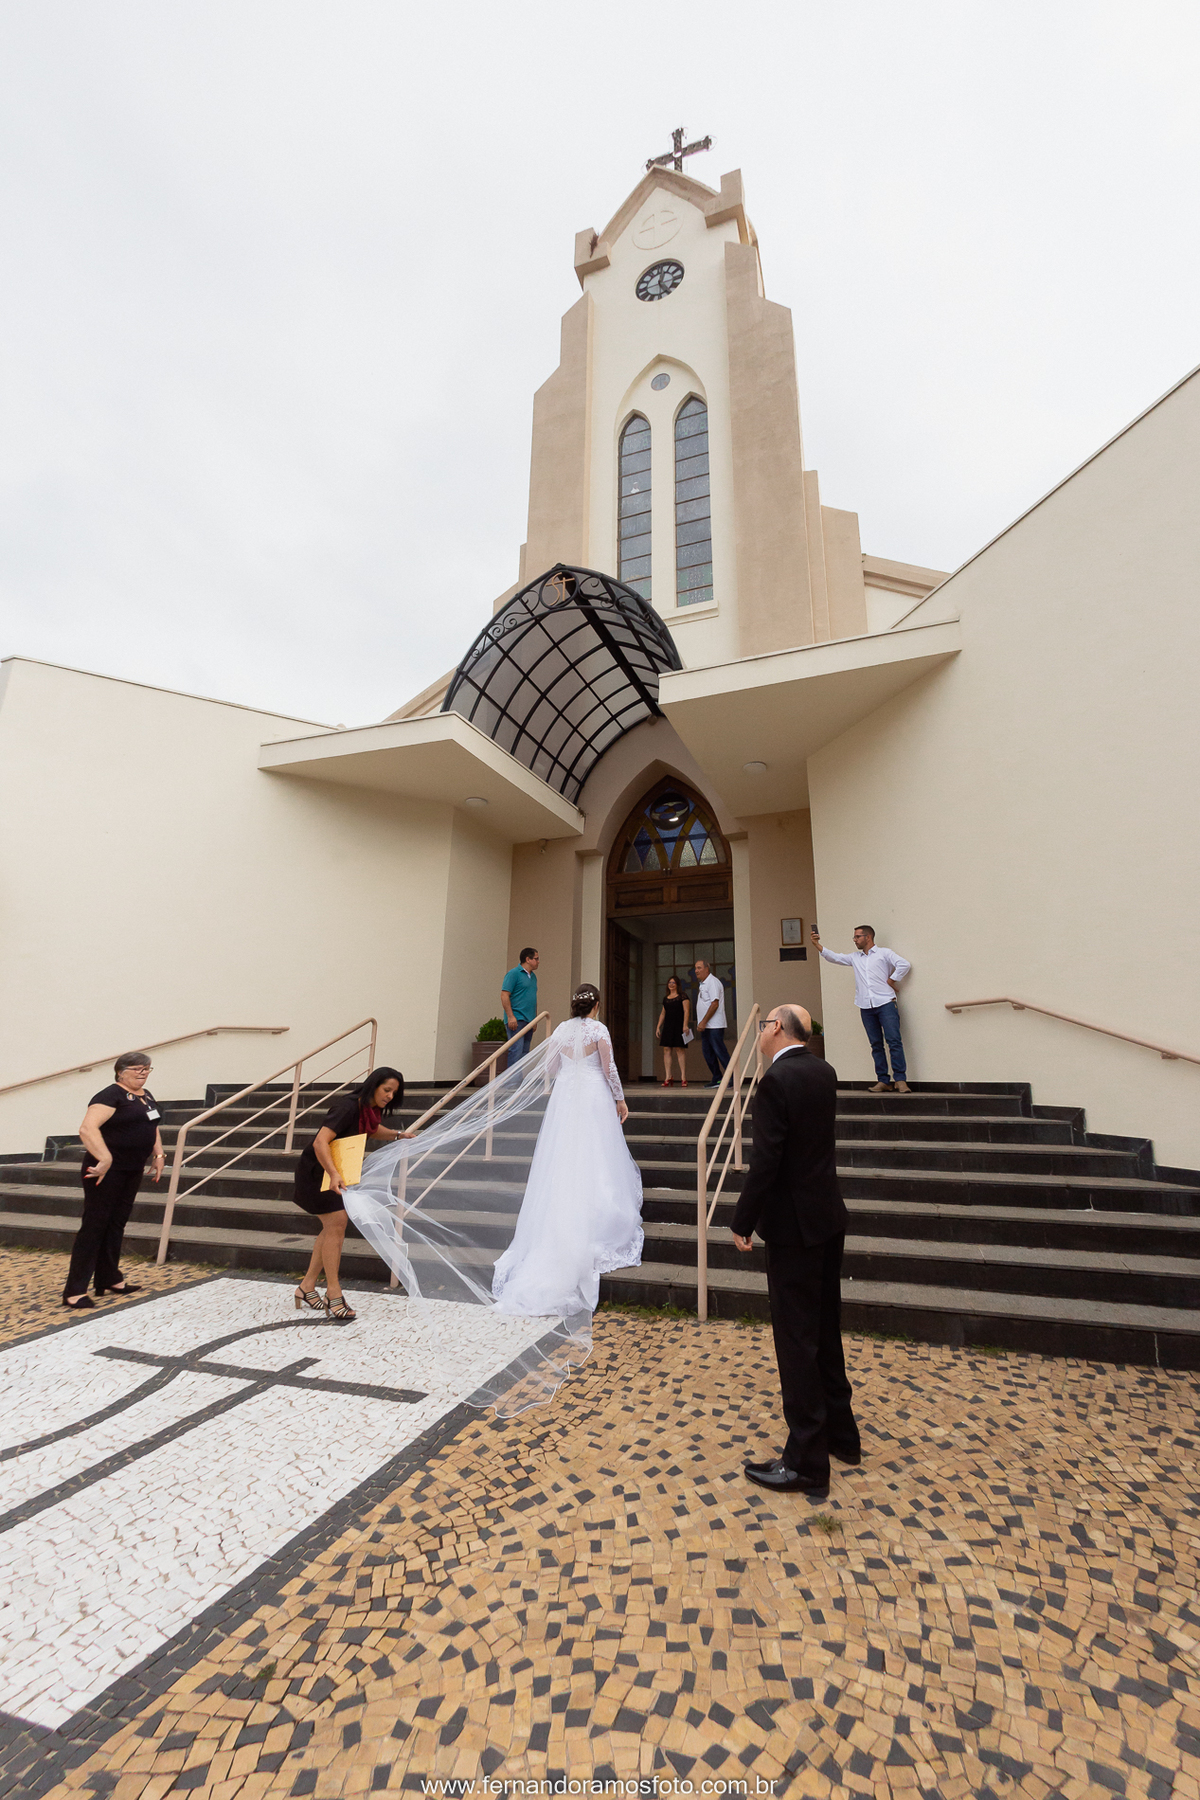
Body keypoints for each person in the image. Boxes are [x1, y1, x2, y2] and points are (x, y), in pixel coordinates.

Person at [730, 1003, 860, 1498]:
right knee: (825, 1329)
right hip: (827, 1217)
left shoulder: (776, 1082)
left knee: (796, 1341)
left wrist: (743, 1220)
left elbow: (767, 1159)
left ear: (779, 1030)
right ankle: (843, 1436)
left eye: (765, 1024)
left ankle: (806, 1462)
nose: (762, 1031)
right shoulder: (823, 1072)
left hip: (793, 1228)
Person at [490, 983, 643, 1318]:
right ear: (596, 1005)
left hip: (566, 1097)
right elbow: (609, 1068)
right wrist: (619, 1099)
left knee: (564, 1156)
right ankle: (599, 1214)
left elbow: (549, 1068)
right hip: (593, 1095)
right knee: (597, 1154)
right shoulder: (598, 1030)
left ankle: (562, 1213)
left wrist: (569, 1072)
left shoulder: (560, 1030)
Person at [291, 1066, 407, 1320]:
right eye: (386, 1090)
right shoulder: (347, 1107)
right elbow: (320, 1142)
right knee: (337, 1223)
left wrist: (398, 1135)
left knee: (332, 1227)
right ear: (373, 1086)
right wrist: (333, 1173)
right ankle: (333, 1293)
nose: (389, 1096)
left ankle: (307, 1287)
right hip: (317, 1172)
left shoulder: (368, 1109)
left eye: (393, 1093)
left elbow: (371, 1130)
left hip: (334, 1172)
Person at [63, 1050, 164, 1309]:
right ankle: (74, 1291)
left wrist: (159, 1154)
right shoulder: (110, 1095)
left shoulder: (146, 1096)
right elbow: (87, 1129)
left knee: (116, 1223)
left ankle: (109, 1278)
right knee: (95, 1226)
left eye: (147, 1069)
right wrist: (105, 1157)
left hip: (132, 1168)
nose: (143, 1073)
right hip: (105, 1170)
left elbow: (151, 1126)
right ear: (120, 1072)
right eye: (137, 1069)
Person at [811, 924, 912, 1093]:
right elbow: (835, 957)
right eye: (854, 937)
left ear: (868, 937)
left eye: (857, 937)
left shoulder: (884, 953)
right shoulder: (855, 957)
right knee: (876, 1044)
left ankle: (900, 1080)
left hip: (885, 1002)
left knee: (894, 1041)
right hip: (865, 1005)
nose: (855, 940)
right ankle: (883, 1080)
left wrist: (892, 980)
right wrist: (817, 945)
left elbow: (904, 964)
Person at [694, 958, 729, 1087]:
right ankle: (717, 1078)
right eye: (695, 968)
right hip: (706, 1027)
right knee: (708, 1053)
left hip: (714, 1025)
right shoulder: (703, 984)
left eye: (699, 968)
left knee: (720, 1051)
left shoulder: (712, 982)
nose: (696, 971)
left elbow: (714, 1004)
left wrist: (703, 1022)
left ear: (707, 969)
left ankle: (732, 1077)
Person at [501, 947, 540, 1066]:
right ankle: (513, 1078)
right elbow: (504, 995)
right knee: (516, 1051)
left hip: (529, 1019)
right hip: (517, 1019)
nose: (538, 961)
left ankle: (520, 1077)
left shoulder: (533, 977)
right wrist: (510, 1016)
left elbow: (533, 998)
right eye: (536, 959)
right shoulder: (513, 974)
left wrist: (534, 1019)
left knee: (524, 1053)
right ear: (528, 959)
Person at [655, 975, 691, 1086]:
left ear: (677, 984)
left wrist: (685, 1025)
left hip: (679, 1025)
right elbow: (663, 1013)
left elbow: (686, 1011)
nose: (671, 984)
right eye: (669, 982)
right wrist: (658, 1026)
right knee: (666, 1049)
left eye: (673, 982)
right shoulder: (666, 998)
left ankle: (683, 1077)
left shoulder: (683, 996)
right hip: (668, 1026)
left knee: (680, 1049)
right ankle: (668, 1076)